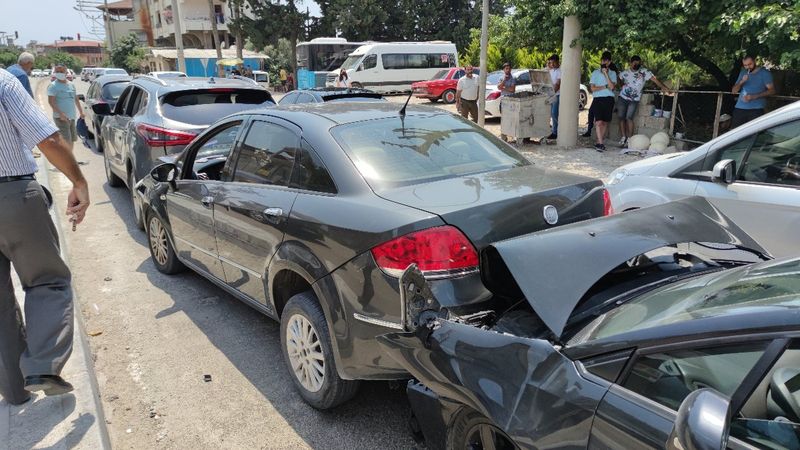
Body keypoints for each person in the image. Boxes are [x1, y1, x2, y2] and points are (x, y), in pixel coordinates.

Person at [0, 69, 90, 405]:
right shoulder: (4, 82)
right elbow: (48, 140)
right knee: (47, 281)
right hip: (11, 194)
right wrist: (78, 182)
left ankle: (14, 390)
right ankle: (42, 366)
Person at [616, 55, 671, 146]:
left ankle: (630, 139)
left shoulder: (644, 72)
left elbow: (655, 80)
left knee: (629, 118)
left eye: (638, 64)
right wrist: (621, 84)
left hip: (634, 99)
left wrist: (664, 88)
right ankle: (623, 137)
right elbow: (618, 77)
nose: (637, 65)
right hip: (622, 97)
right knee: (621, 117)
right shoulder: (625, 72)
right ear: (631, 63)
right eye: (635, 63)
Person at [731, 55, 775, 129]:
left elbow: (772, 91)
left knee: (754, 134)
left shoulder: (764, 73)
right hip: (739, 108)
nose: (748, 67)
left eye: (750, 64)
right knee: (735, 133)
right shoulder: (743, 72)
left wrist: (754, 96)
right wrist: (742, 81)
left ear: (754, 61)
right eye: (745, 65)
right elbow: (734, 91)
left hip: (756, 109)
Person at [47, 64, 83, 151]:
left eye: (61, 71)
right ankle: (69, 161)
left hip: (71, 117)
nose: (59, 73)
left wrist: (81, 112)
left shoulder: (71, 85)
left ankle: (71, 158)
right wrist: (61, 114)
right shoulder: (53, 86)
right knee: (67, 140)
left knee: (73, 138)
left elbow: (75, 99)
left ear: (66, 72)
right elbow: (51, 102)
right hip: (61, 118)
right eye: (57, 72)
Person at [589, 51, 618, 152]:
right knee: (598, 122)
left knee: (605, 122)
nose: (604, 62)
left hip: (609, 99)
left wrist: (606, 73)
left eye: (606, 60)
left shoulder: (613, 73)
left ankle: (598, 141)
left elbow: (612, 87)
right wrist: (604, 87)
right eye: (602, 60)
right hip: (598, 99)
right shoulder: (595, 73)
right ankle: (600, 143)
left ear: (609, 62)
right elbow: (592, 88)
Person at [546, 55, 561, 140]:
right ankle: (553, 131)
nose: (552, 64)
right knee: (551, 113)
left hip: (557, 95)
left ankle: (556, 132)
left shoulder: (560, 71)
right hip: (550, 94)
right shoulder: (551, 71)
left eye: (553, 62)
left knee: (554, 113)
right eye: (551, 62)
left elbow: (558, 84)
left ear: (557, 61)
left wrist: (552, 93)